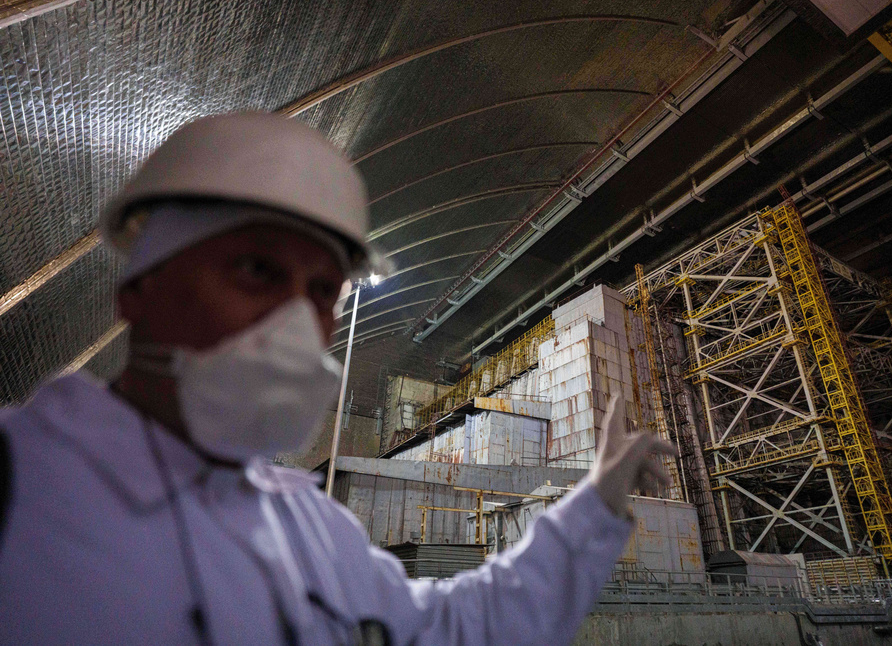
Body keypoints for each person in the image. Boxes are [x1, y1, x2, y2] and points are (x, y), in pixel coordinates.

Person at [0, 112, 676, 645]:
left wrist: (593, 505)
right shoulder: (20, 490)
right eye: (257, 271)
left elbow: (457, 631)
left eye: (322, 291)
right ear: (138, 290)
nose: (295, 323)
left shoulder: (313, 530)